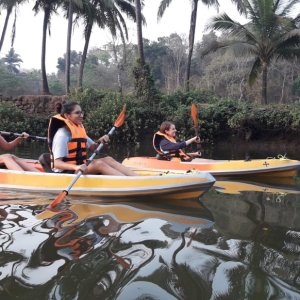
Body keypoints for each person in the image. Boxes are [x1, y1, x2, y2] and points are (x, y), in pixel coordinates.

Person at [48, 101, 136, 175]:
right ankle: (127, 182)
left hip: (79, 166)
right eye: (77, 113)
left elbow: (94, 147)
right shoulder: (62, 135)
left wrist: (101, 141)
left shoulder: (78, 130)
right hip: (67, 172)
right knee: (98, 164)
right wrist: (76, 167)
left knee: (108, 159)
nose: (81, 115)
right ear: (67, 116)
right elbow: (56, 163)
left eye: (81, 112)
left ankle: (137, 178)